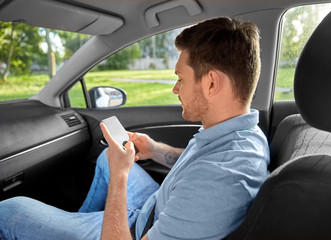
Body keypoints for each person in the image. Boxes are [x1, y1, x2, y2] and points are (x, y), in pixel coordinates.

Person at [0, 17, 269, 240]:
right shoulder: (243, 133)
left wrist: (120, 177)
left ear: (211, 83)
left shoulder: (218, 179)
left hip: (135, 230)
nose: (175, 89)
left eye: (180, 79)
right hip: (154, 208)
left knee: (9, 211)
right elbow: (194, 165)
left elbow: (204, 178)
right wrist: (156, 150)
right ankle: (76, 224)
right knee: (109, 156)